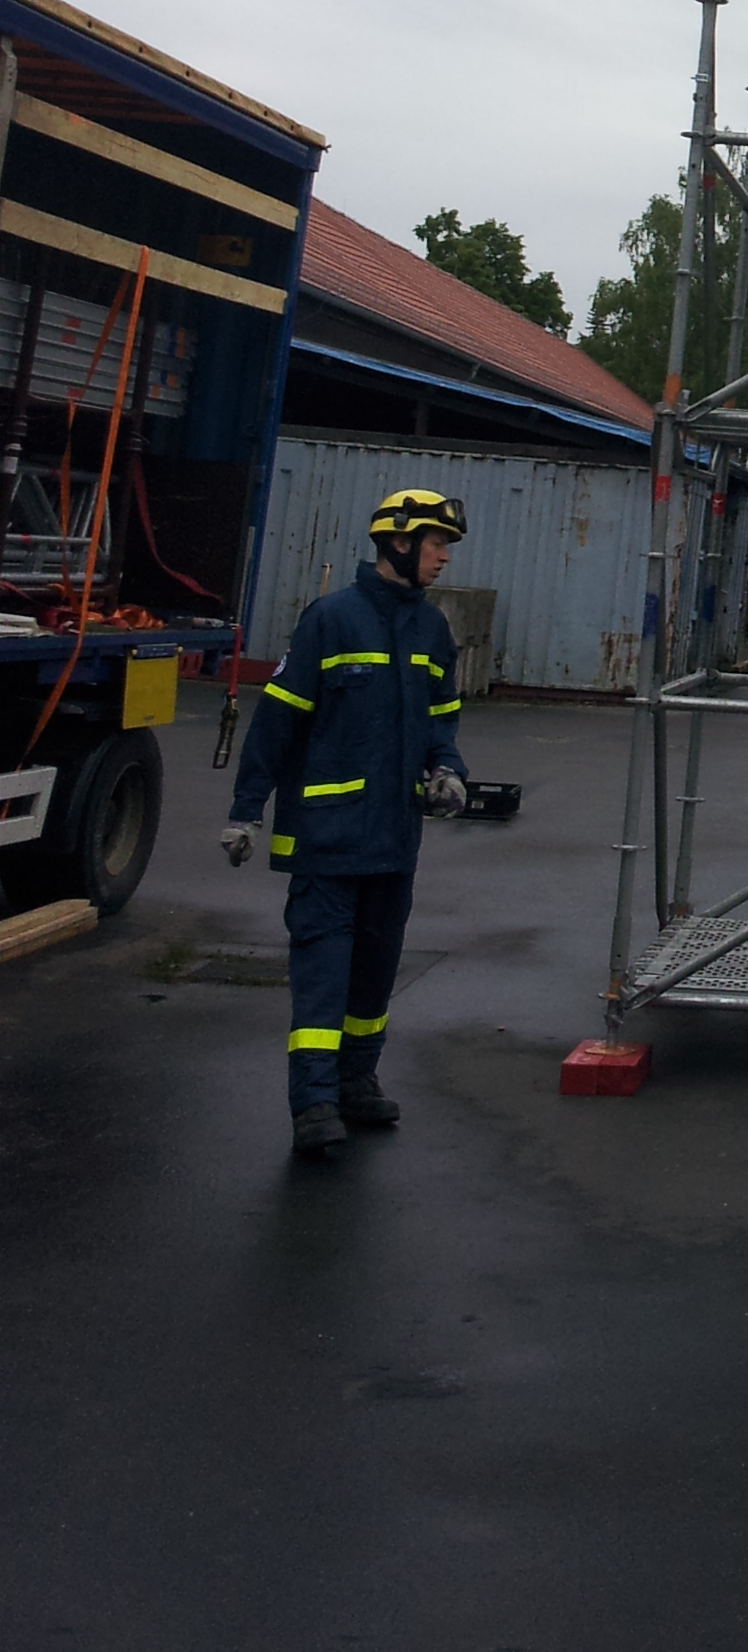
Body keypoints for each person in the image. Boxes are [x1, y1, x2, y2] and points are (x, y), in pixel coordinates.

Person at [218, 487, 470, 1158]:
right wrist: (246, 811)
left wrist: (447, 768)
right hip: (327, 840)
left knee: (375, 974)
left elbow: (441, 718)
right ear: (399, 543)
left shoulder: (432, 629)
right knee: (323, 977)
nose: (444, 557)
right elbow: (277, 722)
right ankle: (313, 1103)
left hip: (393, 842)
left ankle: (358, 1081)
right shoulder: (331, 620)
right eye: (436, 544)